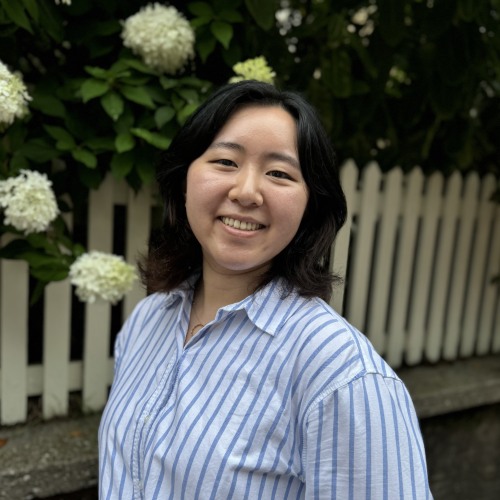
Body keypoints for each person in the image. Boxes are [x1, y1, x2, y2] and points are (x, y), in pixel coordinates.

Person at [99, 80, 432, 499]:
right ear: (184, 179)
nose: (246, 192)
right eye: (224, 162)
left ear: (310, 205)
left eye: (279, 173)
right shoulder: (148, 322)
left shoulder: (341, 374)